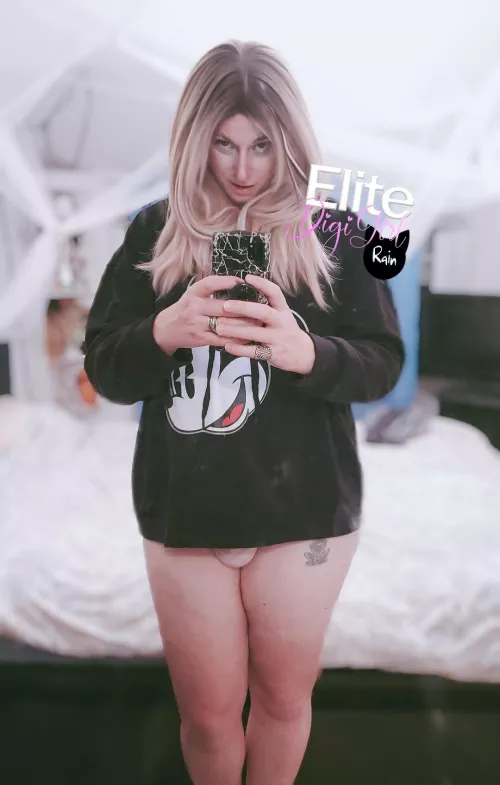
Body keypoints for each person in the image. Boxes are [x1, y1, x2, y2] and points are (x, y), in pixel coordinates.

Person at [82, 40, 405, 785]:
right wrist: (164, 332)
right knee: (206, 716)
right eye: (223, 143)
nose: (243, 168)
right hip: (184, 506)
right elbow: (103, 368)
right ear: (195, 138)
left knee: (284, 701)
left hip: (307, 506)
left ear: (289, 139)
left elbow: (383, 363)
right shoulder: (154, 230)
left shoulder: (339, 231)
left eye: (262, 145)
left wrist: (305, 352)